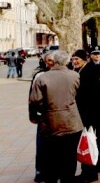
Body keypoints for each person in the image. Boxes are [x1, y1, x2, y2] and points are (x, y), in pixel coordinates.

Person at [29, 50, 83, 183]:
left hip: (50, 123)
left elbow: (35, 101)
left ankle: (51, 177)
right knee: (69, 157)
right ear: (66, 61)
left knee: (50, 157)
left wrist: (36, 118)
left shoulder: (42, 77)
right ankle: (67, 178)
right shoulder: (75, 76)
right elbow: (79, 96)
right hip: (71, 123)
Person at [75, 47, 100, 183]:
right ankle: (86, 171)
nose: (74, 61)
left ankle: (91, 173)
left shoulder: (92, 70)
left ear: (84, 59)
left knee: (90, 142)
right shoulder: (79, 69)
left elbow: (92, 93)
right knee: (85, 143)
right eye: (73, 59)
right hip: (82, 112)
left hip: (90, 113)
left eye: (77, 59)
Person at [28, 51, 55, 183]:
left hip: (58, 115)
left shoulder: (61, 73)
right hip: (44, 115)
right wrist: (34, 115)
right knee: (42, 144)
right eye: (48, 60)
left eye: (53, 60)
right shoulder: (40, 75)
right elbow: (32, 97)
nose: (51, 62)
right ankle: (41, 171)